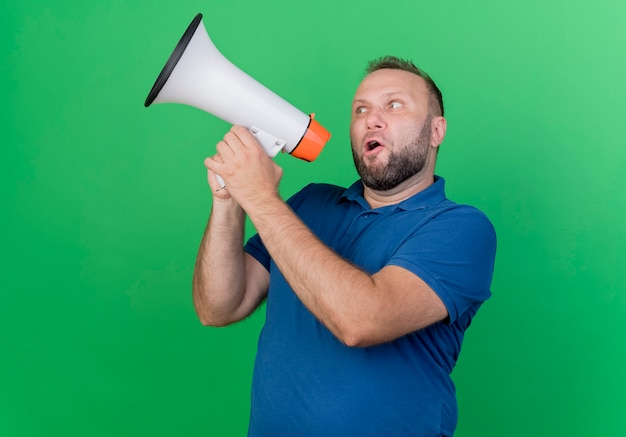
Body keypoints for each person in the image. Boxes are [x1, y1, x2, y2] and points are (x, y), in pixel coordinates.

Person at [192, 56, 497, 436]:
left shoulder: (460, 228)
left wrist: (259, 196)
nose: (372, 118)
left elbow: (361, 321)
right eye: (360, 109)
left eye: (394, 104)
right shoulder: (309, 203)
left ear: (437, 131)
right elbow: (219, 307)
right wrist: (229, 200)